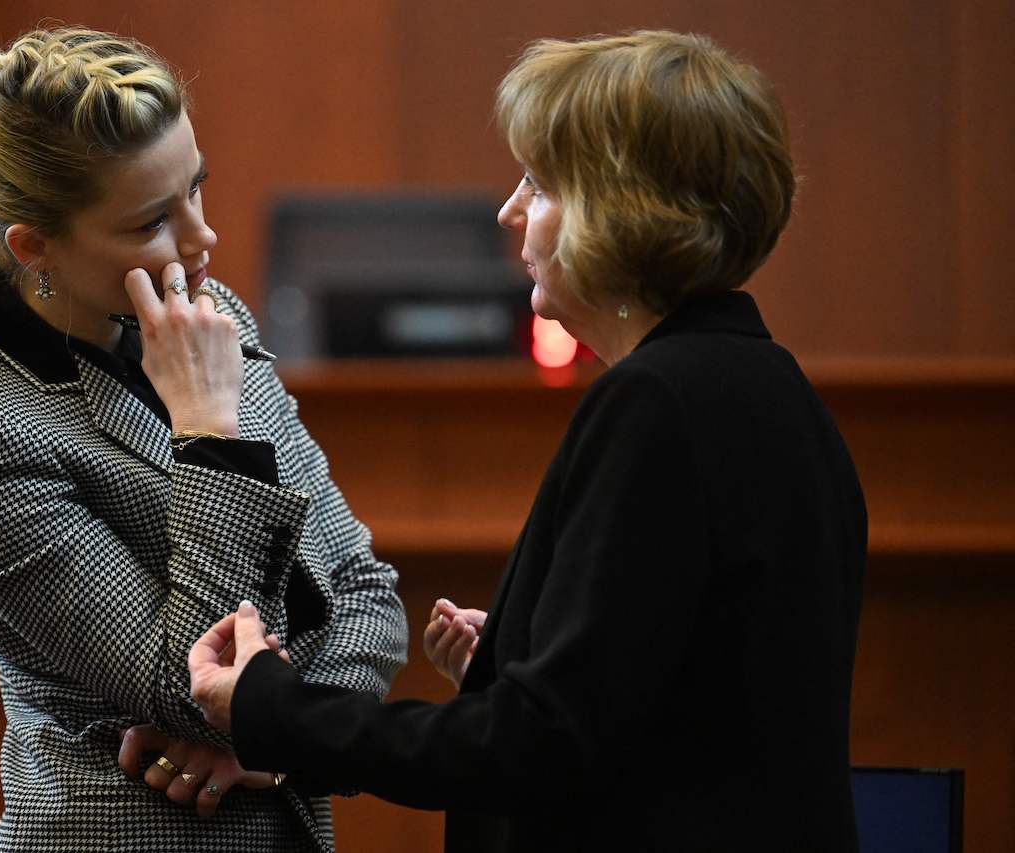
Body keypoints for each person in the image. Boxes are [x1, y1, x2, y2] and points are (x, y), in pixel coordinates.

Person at [176, 30, 867, 852]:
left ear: (617, 211)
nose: (509, 210)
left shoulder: (656, 403)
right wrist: (511, 672)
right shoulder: (773, 388)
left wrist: (271, 709)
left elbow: (540, 747)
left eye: (538, 185)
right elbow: (696, 711)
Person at [0, 27, 407, 853]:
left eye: (197, 189)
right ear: (33, 245)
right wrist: (210, 432)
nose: (200, 240)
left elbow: (368, 594)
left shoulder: (213, 318)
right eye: (153, 219)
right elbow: (185, 689)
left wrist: (277, 747)